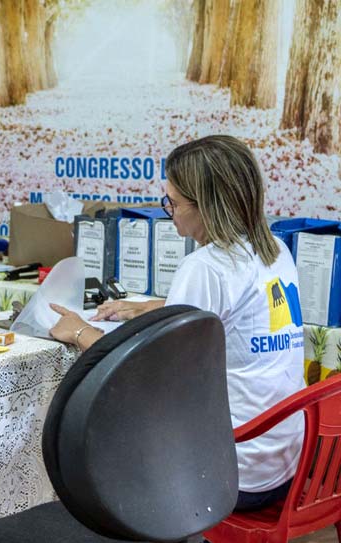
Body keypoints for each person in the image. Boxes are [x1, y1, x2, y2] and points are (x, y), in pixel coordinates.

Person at [50, 135, 305, 512]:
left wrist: (80, 331)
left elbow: (154, 377)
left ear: (205, 206)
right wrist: (155, 308)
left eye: (172, 201)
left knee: (106, 435)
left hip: (232, 471)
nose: (168, 209)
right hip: (285, 460)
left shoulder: (205, 267)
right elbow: (230, 316)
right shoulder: (273, 250)